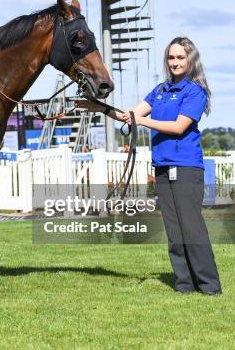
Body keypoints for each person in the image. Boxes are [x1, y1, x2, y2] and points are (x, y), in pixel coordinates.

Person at [77, 37, 222, 295]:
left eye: (180, 57)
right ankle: (185, 284)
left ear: (190, 60)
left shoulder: (194, 91)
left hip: (187, 168)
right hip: (163, 167)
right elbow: (129, 116)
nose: (175, 62)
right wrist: (98, 107)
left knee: (191, 227)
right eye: (171, 57)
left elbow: (178, 127)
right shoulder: (160, 91)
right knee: (174, 230)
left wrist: (142, 121)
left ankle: (209, 286)